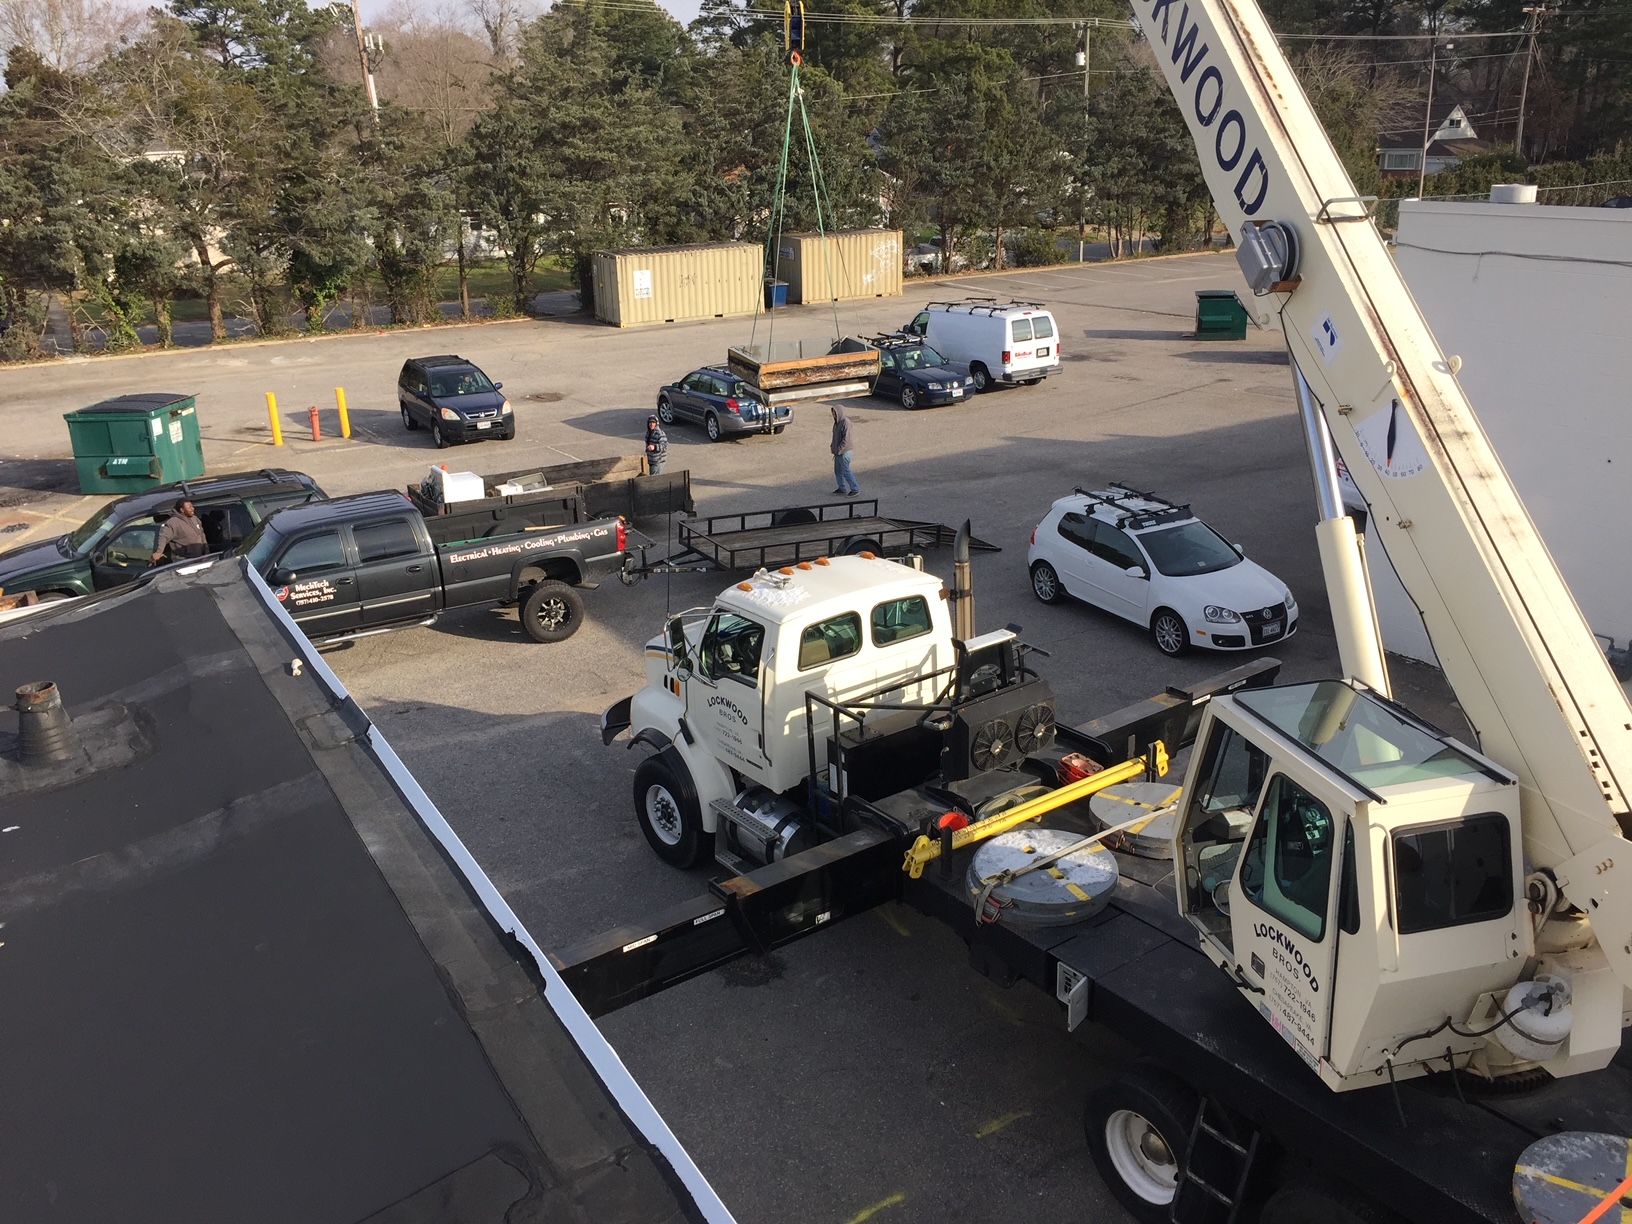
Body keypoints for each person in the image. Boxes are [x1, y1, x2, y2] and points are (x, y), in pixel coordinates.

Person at [151, 500, 208, 564]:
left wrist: (206, 550)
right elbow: (164, 537)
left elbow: (202, 534)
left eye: (192, 506)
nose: (193, 508)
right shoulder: (172, 522)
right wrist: (159, 552)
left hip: (200, 557)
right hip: (184, 560)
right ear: (182, 510)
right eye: (189, 507)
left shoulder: (195, 519)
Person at [830, 403, 859, 497]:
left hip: (845, 452)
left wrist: (839, 449)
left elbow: (846, 439)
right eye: (833, 413)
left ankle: (855, 489)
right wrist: (832, 446)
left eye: (834, 412)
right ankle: (841, 488)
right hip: (838, 452)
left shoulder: (846, 422)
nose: (833, 414)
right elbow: (835, 437)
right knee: (838, 471)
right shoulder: (837, 422)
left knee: (846, 471)